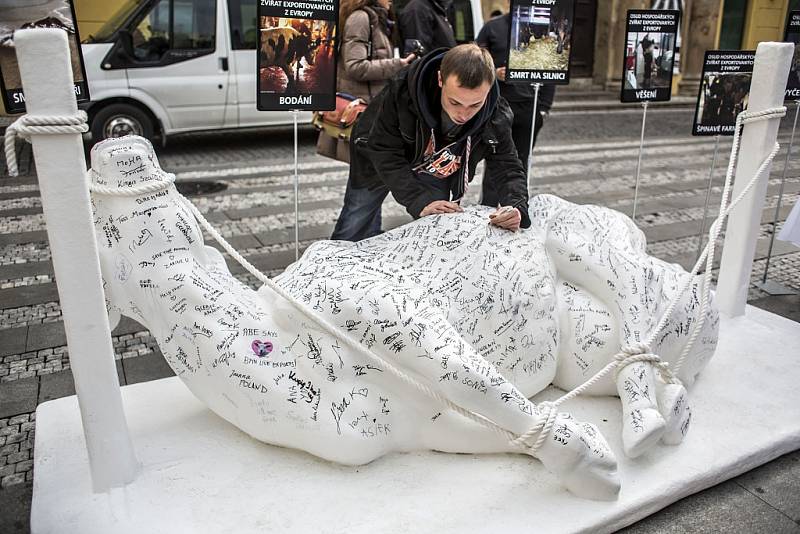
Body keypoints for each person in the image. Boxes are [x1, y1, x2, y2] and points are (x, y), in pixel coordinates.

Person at [331, 44, 531, 241]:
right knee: (356, 218)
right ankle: (332, 264)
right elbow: (384, 150)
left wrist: (516, 206)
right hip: (377, 154)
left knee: (438, 226)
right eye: (454, 102)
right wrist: (418, 199)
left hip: (436, 164)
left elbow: (507, 164)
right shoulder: (402, 91)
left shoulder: (495, 111)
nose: (463, 114)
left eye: (475, 105)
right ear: (440, 80)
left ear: (488, 90)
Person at [476, 12, 555, 207]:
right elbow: (475, 64)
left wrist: (543, 108)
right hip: (498, 106)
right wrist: (494, 73)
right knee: (496, 159)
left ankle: (517, 208)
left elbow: (551, 70)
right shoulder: (492, 27)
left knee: (521, 161)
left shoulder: (543, 28)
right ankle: (489, 208)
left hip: (529, 107)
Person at [338, 0, 415, 102]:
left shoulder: (378, 18)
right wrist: (397, 65)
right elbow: (355, 67)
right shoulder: (360, 18)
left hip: (371, 104)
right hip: (360, 107)